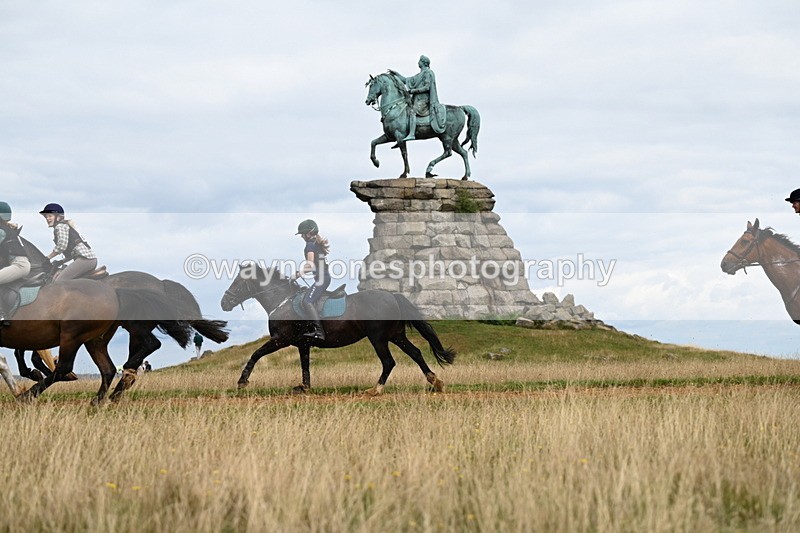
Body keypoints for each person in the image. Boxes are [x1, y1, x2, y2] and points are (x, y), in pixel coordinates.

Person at [388, 55, 443, 141]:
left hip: (424, 100)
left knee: (412, 112)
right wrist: (396, 74)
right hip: (416, 100)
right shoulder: (419, 75)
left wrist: (413, 91)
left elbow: (427, 87)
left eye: (419, 61)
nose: (418, 63)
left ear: (424, 63)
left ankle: (412, 134)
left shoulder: (428, 73)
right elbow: (406, 80)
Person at [293, 219, 331, 341]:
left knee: (307, 301)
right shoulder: (317, 243)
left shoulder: (310, 245)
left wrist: (297, 274)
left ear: (309, 233)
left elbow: (310, 265)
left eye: (303, 234)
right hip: (324, 278)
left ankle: (319, 332)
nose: (302, 237)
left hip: (321, 280)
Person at [39, 203, 98, 281]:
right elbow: (70, 254)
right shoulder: (64, 226)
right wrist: (60, 262)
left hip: (85, 259)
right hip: (87, 260)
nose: (47, 219)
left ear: (58, 217)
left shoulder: (60, 226)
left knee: (59, 281)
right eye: (46, 217)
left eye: (50, 216)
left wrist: (47, 258)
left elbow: (61, 246)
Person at [0, 202, 31, 324]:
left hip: (19, 265)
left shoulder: (2, 231)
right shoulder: (6, 229)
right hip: (19, 264)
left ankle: (1, 314)